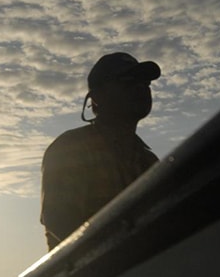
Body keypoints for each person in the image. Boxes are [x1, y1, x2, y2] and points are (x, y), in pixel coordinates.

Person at [40, 52, 161, 249]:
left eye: (145, 83)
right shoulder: (71, 148)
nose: (141, 88)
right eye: (128, 81)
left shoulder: (149, 161)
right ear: (97, 96)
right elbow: (60, 221)